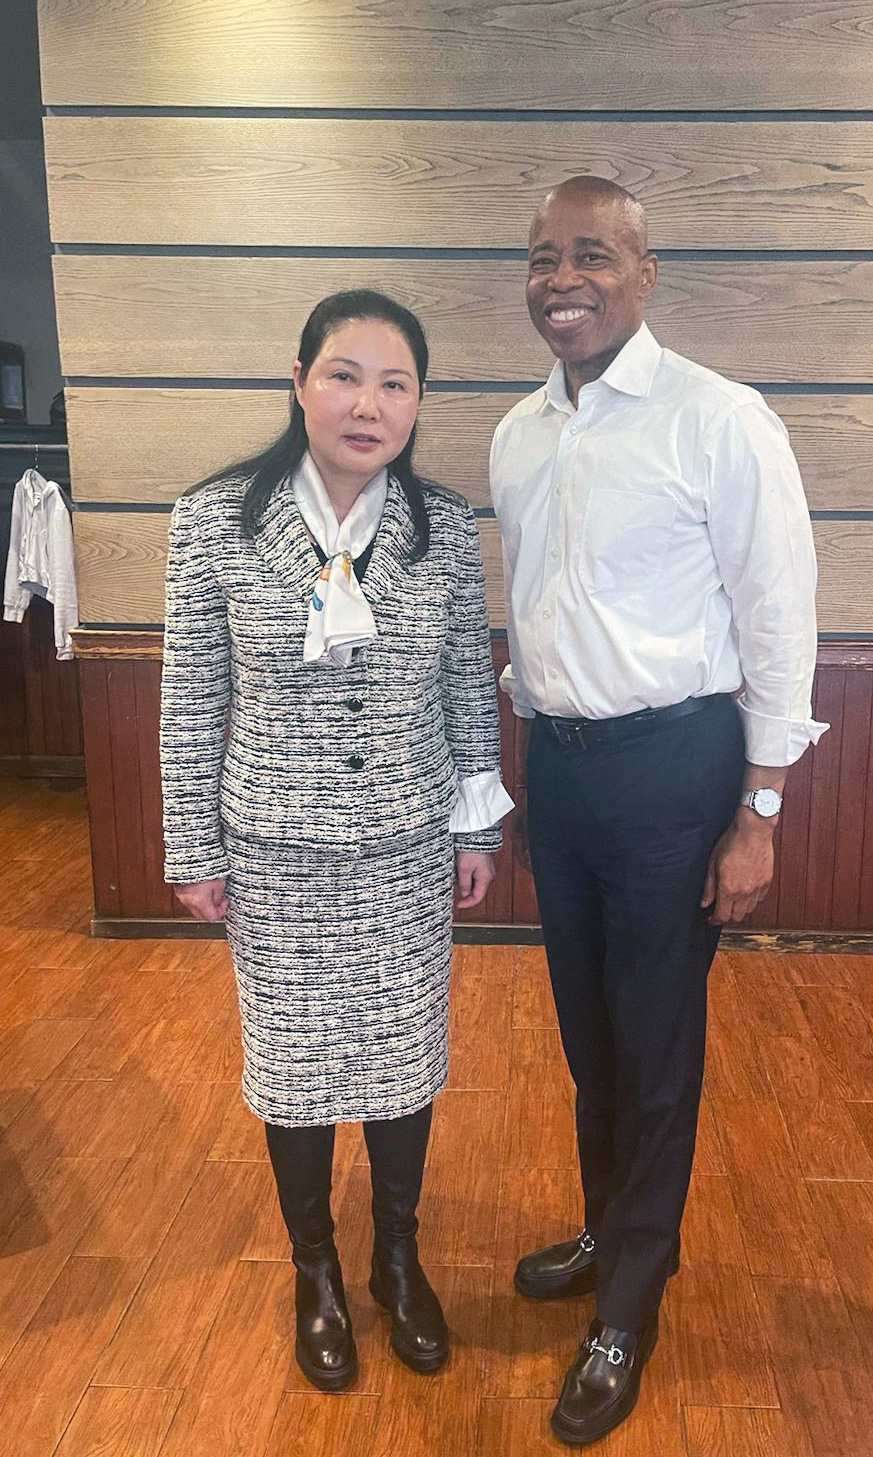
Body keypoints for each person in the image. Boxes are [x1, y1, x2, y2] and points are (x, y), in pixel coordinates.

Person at [490, 177, 827, 1446]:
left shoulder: (719, 419)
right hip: (563, 772)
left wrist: (761, 807)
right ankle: (612, 1221)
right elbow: (535, 606)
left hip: (677, 772)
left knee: (658, 1039)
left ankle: (632, 1297)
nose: (560, 277)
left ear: (644, 273)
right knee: (590, 1034)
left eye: (589, 253)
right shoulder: (522, 432)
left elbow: (776, 613)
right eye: (540, 258)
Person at [160, 289, 513, 1392]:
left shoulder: (444, 527)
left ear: (418, 402)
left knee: (404, 1061)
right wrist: (192, 847)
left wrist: (478, 822)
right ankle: (315, 1267)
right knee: (298, 1068)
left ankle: (396, 1259)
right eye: (346, 374)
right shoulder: (214, 519)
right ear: (300, 382)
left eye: (395, 381)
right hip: (275, 848)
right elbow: (190, 695)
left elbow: (465, 681)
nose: (369, 402)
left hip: (407, 843)